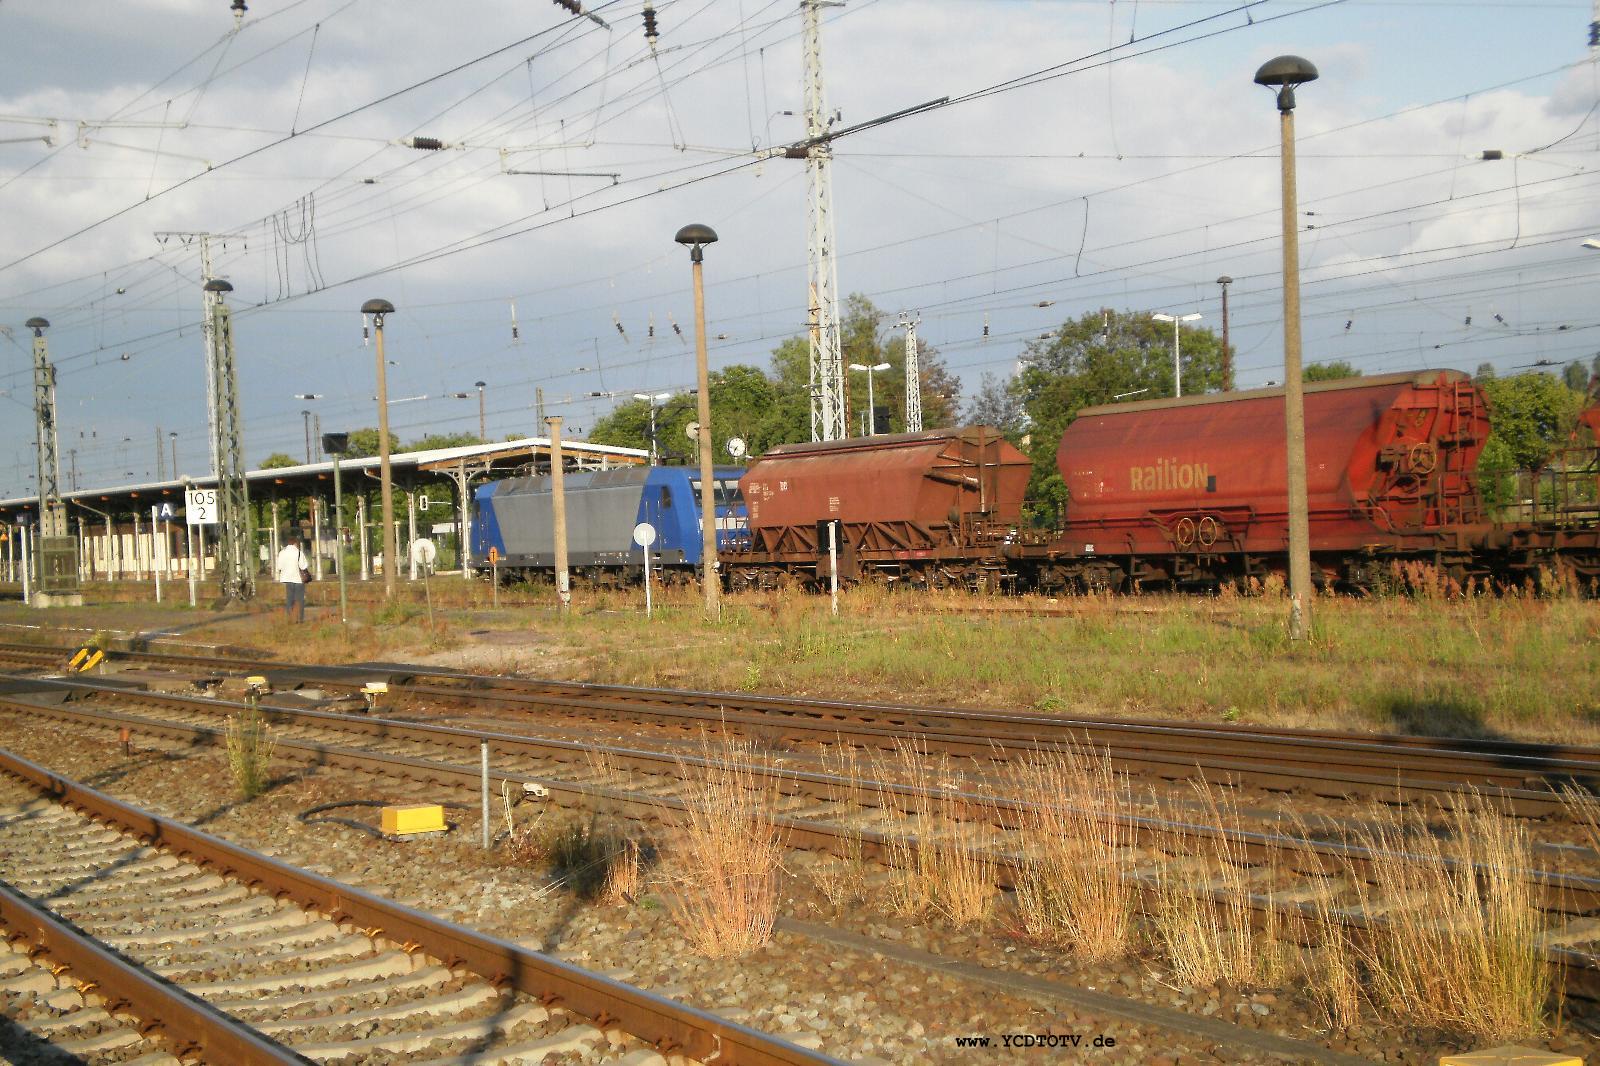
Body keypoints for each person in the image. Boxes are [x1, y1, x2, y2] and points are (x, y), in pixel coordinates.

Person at [275, 534, 309, 623]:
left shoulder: (282, 553)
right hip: (298, 578)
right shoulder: (298, 552)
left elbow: (279, 566)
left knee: (289, 599)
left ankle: (290, 618)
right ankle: (300, 619)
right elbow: (303, 565)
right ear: (295, 543)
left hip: (287, 578)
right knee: (300, 599)